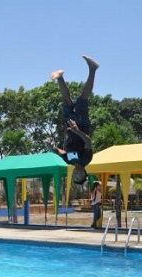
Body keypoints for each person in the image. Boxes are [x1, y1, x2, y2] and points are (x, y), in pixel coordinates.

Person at [50, 55, 99, 185]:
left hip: (70, 127)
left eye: (74, 178)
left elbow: (62, 153)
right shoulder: (85, 159)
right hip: (81, 125)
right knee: (82, 99)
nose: (76, 175)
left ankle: (60, 77)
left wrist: (53, 148)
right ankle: (93, 69)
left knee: (67, 102)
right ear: (84, 173)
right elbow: (88, 141)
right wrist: (77, 130)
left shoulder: (70, 161)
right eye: (79, 177)